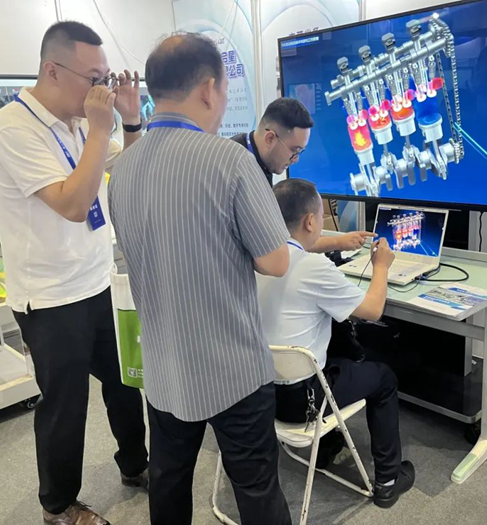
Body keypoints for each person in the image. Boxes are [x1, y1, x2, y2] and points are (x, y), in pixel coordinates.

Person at [108, 33, 292, 525]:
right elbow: (276, 261)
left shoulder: (122, 168)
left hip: (164, 366)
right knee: (256, 489)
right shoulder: (230, 160)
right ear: (209, 89)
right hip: (233, 369)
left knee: (168, 482)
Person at [0, 21, 148, 525]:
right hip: (51, 298)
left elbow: (129, 168)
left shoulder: (78, 122)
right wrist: (100, 128)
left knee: (125, 383)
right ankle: (58, 505)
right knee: (65, 405)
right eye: (94, 79)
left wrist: (130, 120)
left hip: (98, 281)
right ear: (52, 71)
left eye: (107, 79)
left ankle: (137, 464)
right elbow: (74, 205)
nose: (103, 91)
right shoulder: (12, 128)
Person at [257, 178, 415, 509]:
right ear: (311, 221)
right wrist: (381, 267)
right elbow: (372, 310)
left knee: (334, 352)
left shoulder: (260, 257)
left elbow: (297, 247)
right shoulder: (315, 268)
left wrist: (338, 242)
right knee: (383, 378)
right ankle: (388, 480)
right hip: (303, 402)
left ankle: (327, 448)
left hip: (261, 395)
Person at [231, 97, 375, 254]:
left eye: (300, 152)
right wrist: (337, 242)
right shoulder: (238, 169)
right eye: (294, 150)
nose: (296, 159)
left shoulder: (259, 161)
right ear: (270, 138)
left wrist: (339, 241)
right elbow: (274, 247)